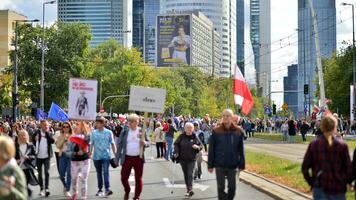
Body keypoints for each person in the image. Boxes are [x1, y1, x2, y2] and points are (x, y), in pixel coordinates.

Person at [302, 115, 352, 200]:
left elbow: (304, 168)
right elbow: (348, 168)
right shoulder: (342, 146)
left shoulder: (314, 145)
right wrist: (347, 182)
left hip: (320, 187)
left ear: (322, 127)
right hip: (338, 188)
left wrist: (312, 183)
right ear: (335, 127)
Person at [208, 109, 245, 200]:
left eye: (227, 116)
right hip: (219, 164)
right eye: (223, 115)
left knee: (232, 187)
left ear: (232, 117)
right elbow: (211, 149)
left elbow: (241, 149)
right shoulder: (216, 131)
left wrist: (242, 164)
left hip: (233, 164)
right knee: (220, 188)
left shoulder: (238, 131)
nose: (225, 117)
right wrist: (210, 165)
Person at [115, 114, 150, 200]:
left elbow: (148, 143)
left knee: (138, 178)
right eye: (129, 121)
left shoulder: (142, 131)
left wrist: (144, 143)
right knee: (123, 177)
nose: (130, 123)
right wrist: (117, 159)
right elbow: (119, 145)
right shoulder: (125, 131)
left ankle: (136, 197)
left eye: (132, 121)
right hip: (127, 158)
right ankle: (127, 190)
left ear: (137, 122)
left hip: (139, 158)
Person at [173, 122, 202, 198]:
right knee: (186, 175)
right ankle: (188, 189)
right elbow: (176, 144)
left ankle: (190, 190)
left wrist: (197, 147)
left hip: (192, 159)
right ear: (185, 129)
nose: (189, 130)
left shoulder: (195, 136)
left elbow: (200, 146)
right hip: (182, 159)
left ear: (193, 129)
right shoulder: (181, 136)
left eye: (191, 129)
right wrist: (176, 152)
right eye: (188, 129)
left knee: (190, 174)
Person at [90, 117, 116, 197]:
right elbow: (91, 143)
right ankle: (100, 189)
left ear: (102, 123)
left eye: (97, 123)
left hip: (106, 156)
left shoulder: (109, 132)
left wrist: (116, 155)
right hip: (96, 157)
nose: (96, 124)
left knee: (105, 172)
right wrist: (90, 152)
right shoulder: (93, 133)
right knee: (99, 173)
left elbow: (112, 143)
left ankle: (107, 189)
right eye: (96, 123)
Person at [65, 121, 91, 200]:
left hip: (85, 160)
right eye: (75, 126)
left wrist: (84, 124)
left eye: (78, 125)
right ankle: (75, 193)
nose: (76, 127)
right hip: (74, 161)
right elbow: (67, 152)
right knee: (74, 179)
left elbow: (90, 141)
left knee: (84, 178)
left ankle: (83, 197)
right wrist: (75, 153)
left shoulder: (87, 137)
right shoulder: (71, 138)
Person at [33, 120, 54, 197]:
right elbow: (32, 140)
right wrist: (35, 139)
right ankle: (41, 188)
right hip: (38, 156)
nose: (46, 126)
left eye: (47, 125)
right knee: (40, 173)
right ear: (41, 126)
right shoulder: (37, 132)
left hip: (47, 156)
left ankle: (47, 188)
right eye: (44, 125)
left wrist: (47, 134)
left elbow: (52, 141)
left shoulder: (49, 133)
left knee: (47, 172)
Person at [15, 130, 38, 198]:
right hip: (18, 168)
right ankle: (28, 194)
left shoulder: (30, 145)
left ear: (27, 136)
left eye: (25, 135)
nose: (23, 137)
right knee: (21, 185)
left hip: (28, 168)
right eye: (21, 136)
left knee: (25, 184)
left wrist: (28, 157)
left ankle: (28, 195)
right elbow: (11, 156)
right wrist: (17, 160)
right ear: (19, 137)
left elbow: (34, 156)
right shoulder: (16, 146)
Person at [55, 122, 73, 197]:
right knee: (61, 175)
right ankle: (65, 186)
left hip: (71, 157)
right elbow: (58, 146)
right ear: (62, 128)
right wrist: (64, 140)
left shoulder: (73, 136)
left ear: (69, 127)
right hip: (62, 155)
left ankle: (68, 190)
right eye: (64, 127)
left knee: (69, 174)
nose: (65, 128)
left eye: (67, 127)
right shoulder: (60, 136)